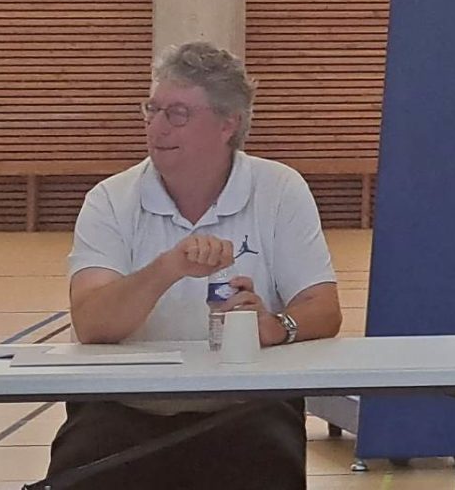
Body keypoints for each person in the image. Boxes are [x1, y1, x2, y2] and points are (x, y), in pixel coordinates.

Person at [49, 41, 342, 490]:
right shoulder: (109, 200)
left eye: (178, 113)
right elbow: (91, 323)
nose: (157, 126)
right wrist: (167, 269)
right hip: (123, 409)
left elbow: (324, 308)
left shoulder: (280, 190)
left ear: (228, 124)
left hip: (243, 409)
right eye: (152, 109)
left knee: (268, 466)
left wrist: (275, 326)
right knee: (80, 471)